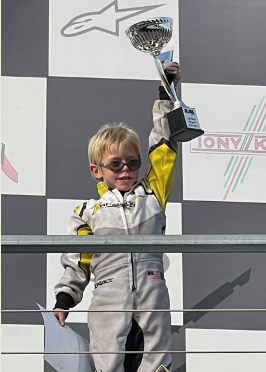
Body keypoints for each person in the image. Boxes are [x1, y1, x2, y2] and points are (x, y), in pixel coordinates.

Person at [53, 62, 181, 372]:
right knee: (109, 367)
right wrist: (63, 303)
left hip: (153, 303)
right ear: (96, 170)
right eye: (116, 164)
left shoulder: (152, 195)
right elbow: (77, 263)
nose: (126, 169)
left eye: (133, 162)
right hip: (108, 307)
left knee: (157, 367)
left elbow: (163, 148)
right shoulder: (87, 213)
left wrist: (165, 91)